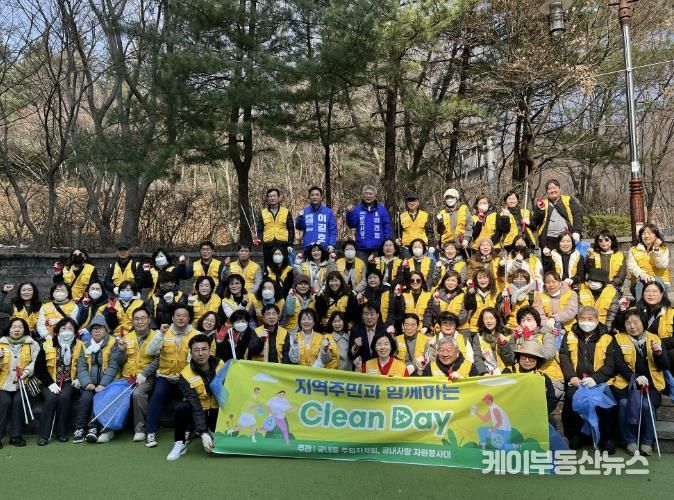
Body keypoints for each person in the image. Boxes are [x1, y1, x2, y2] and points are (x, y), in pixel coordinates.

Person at [559, 306, 617, 452]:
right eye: (583, 318)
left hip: (601, 381)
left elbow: (611, 363)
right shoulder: (570, 335)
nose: (586, 322)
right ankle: (577, 436)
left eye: (590, 319)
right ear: (578, 319)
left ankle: (607, 438)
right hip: (577, 381)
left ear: (597, 321)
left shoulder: (607, 338)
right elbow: (564, 356)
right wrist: (572, 376)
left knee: (606, 403)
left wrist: (595, 379)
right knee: (571, 398)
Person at [613, 309, 670, 456]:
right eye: (628, 323)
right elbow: (618, 363)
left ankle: (647, 442)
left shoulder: (654, 338)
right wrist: (634, 377)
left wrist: (659, 354)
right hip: (626, 384)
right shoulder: (618, 339)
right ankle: (629, 440)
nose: (632, 326)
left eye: (636, 322)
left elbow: (665, 365)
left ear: (643, 323)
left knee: (646, 405)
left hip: (651, 385)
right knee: (624, 404)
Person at [144, 304, 197, 448]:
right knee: (157, 396)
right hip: (165, 376)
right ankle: (150, 432)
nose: (181, 318)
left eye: (184, 316)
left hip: (185, 377)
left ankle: (188, 431)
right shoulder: (163, 332)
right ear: (172, 318)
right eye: (178, 315)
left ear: (189, 318)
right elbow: (150, 351)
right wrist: (160, 334)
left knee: (189, 399)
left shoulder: (196, 334)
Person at [166, 334, 224, 460]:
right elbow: (195, 404)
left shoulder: (221, 365)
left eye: (204, 349)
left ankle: (213, 431)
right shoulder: (185, 375)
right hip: (198, 411)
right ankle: (180, 443)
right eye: (196, 350)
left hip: (217, 411)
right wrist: (203, 433)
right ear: (191, 352)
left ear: (210, 350)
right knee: (181, 407)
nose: (200, 353)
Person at [72, 314, 121, 444]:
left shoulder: (114, 343)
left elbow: (113, 366)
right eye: (94, 328)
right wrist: (87, 383)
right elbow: (81, 366)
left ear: (106, 330)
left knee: (99, 397)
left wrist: (103, 384)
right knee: (86, 398)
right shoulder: (85, 345)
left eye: (100, 328)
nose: (97, 331)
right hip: (90, 382)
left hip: (108, 383)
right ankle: (79, 429)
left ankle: (92, 428)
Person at [34, 318, 82, 445]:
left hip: (69, 381)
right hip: (48, 381)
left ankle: (62, 433)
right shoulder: (47, 344)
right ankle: (44, 435)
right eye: (63, 328)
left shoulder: (80, 345)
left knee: (64, 398)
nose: (67, 331)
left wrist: (79, 378)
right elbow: (39, 368)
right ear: (58, 330)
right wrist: (50, 383)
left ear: (75, 331)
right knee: (51, 399)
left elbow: (84, 365)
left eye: (70, 328)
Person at [117, 306, 159, 443]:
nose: (140, 321)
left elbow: (159, 360)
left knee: (138, 393)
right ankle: (109, 429)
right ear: (132, 321)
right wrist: (122, 351)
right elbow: (120, 362)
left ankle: (140, 429)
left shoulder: (156, 337)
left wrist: (145, 373)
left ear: (149, 320)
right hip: (127, 376)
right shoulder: (126, 337)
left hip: (146, 377)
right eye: (136, 319)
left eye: (143, 318)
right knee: (113, 390)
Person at [0, 318, 40, 447]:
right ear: (9, 329)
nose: (16, 330)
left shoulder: (32, 344)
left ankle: (15, 436)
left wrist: (26, 372)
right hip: (2, 383)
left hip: (23, 382)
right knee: (4, 402)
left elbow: (36, 362)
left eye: (20, 327)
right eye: (13, 327)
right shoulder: (1, 343)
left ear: (25, 329)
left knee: (19, 401)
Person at [509, 306, 564, 398]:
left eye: (529, 320)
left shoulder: (546, 335)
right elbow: (512, 359)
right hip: (529, 378)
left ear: (537, 322)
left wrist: (531, 339)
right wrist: (513, 339)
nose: (526, 323)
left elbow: (548, 355)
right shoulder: (520, 338)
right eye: (522, 320)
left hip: (551, 378)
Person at [503, 341, 558, 420]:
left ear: (538, 360)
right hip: (510, 415)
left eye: (531, 358)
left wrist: (538, 411)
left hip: (535, 416)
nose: (527, 360)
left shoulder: (543, 378)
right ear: (518, 357)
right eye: (523, 357)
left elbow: (551, 400)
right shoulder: (508, 372)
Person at [531, 179, 583, 250]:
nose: (552, 190)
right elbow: (536, 221)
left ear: (559, 189)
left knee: (566, 256)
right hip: (548, 239)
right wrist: (540, 210)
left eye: (554, 188)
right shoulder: (543, 203)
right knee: (549, 257)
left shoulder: (568, 200)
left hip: (565, 238)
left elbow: (577, 215)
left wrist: (577, 231)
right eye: (549, 189)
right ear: (547, 192)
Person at [345, 185, 392, 259]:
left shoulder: (382, 209)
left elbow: (387, 227)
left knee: (378, 266)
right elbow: (351, 224)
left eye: (370, 194)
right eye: (366, 193)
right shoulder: (357, 209)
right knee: (362, 266)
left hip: (378, 248)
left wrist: (387, 242)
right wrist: (349, 213)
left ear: (375, 196)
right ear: (363, 195)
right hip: (361, 248)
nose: (368, 196)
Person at [633, 280, 674, 365]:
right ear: (642, 294)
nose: (651, 294)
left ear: (662, 294)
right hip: (640, 351)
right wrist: (622, 311)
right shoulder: (635, 312)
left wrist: (658, 344)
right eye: (647, 291)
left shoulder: (671, 313)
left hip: (663, 352)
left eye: (655, 291)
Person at [627, 223, 670, 301]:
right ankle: (640, 307)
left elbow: (662, 265)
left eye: (650, 233)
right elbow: (632, 266)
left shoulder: (664, 250)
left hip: (661, 283)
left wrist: (656, 250)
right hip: (639, 284)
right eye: (643, 234)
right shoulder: (633, 250)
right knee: (641, 282)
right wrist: (642, 274)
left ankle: (660, 307)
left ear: (656, 236)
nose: (646, 236)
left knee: (656, 280)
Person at [255, 188, 295, 269]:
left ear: (278, 197)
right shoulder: (263, 212)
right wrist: (259, 239)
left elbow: (291, 229)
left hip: (283, 245)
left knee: (284, 269)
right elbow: (260, 229)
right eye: (270, 196)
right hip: (268, 245)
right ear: (267, 198)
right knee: (268, 269)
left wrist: (290, 244)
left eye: (274, 196)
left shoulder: (286, 212)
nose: (272, 198)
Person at [295, 186, 337, 252]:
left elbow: (332, 230)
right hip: (308, 248)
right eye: (312, 195)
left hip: (324, 248)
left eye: (317, 195)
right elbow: (299, 227)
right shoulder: (304, 211)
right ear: (309, 197)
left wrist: (331, 244)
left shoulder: (328, 212)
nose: (314, 197)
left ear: (321, 197)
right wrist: (300, 218)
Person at [476, 307, 514, 374]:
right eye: (485, 319)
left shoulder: (507, 334)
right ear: (482, 321)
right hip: (488, 374)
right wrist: (483, 373)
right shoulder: (478, 337)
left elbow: (511, 360)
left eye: (491, 318)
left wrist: (504, 345)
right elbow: (477, 357)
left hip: (506, 373)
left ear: (497, 319)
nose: (489, 321)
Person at [397, 192, 435, 257]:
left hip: (422, 247)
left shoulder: (425, 215)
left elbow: (429, 232)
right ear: (406, 203)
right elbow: (398, 232)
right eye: (409, 201)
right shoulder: (401, 216)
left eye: (413, 201)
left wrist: (431, 245)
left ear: (418, 203)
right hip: (406, 248)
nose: (411, 203)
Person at [464, 269, 500, 334]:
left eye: (485, 278)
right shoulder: (471, 292)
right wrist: (470, 294)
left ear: (489, 279)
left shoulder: (496, 294)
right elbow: (468, 306)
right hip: (474, 328)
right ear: (476, 280)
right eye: (479, 278)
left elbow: (499, 312)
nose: (482, 281)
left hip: (490, 328)